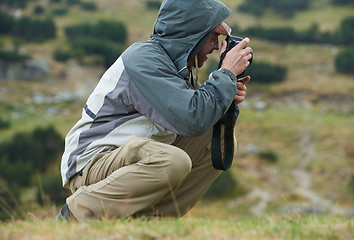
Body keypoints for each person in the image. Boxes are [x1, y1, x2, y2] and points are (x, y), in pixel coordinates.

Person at [56, 0, 252, 222]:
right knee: (174, 161)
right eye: (212, 37)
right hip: (93, 162)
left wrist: (227, 96)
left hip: (128, 160)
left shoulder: (179, 68)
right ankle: (76, 215)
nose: (216, 46)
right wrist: (225, 74)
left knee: (220, 143)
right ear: (192, 35)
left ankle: (146, 224)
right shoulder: (144, 60)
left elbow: (205, 121)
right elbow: (192, 118)